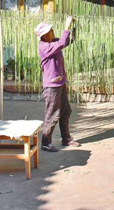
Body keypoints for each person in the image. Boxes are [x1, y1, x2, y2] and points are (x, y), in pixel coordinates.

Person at [34, 16, 80, 152]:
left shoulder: (53, 42)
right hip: (51, 87)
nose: (53, 31)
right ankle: (46, 142)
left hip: (60, 83)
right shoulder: (44, 47)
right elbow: (61, 43)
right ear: (44, 36)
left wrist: (73, 27)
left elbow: (67, 41)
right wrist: (66, 26)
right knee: (52, 115)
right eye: (50, 31)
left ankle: (66, 138)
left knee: (66, 111)